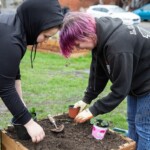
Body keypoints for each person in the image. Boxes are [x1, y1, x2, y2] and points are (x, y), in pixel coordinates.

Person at [59, 12, 150, 150]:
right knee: (132, 121)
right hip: (138, 78)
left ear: (86, 34)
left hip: (147, 82)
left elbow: (120, 90)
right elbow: (99, 73)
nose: (79, 48)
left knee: (143, 126)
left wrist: (93, 110)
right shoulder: (99, 35)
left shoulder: (117, 47)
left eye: (78, 44)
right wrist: (86, 99)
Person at [0, 0, 63, 143]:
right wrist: (29, 123)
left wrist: (20, 101)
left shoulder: (16, 26)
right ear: (36, 22)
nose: (46, 41)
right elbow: (4, 87)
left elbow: (12, 70)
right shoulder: (11, 39)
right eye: (46, 36)